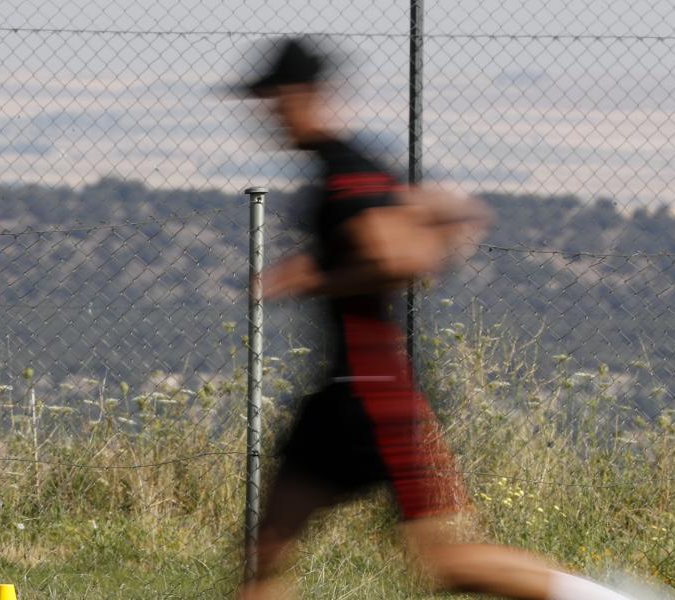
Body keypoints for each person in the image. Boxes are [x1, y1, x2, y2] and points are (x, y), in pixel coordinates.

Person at [236, 38, 641, 600]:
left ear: (303, 95)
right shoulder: (351, 165)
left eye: (271, 98)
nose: (264, 112)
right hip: (340, 393)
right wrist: (344, 259)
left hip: (376, 395)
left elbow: (398, 259)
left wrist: (317, 278)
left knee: (450, 562)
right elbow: (453, 213)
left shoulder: (347, 172)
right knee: (265, 556)